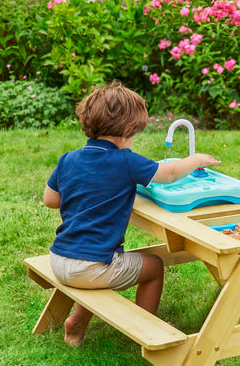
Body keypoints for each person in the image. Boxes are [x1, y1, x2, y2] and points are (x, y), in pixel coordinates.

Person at [43, 81, 221, 347]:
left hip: (59, 259)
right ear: (127, 131)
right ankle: (145, 328)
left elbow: (50, 200)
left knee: (109, 261)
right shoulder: (126, 161)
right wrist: (196, 160)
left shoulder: (68, 159)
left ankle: (77, 320)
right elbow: (170, 174)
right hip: (91, 268)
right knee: (153, 266)